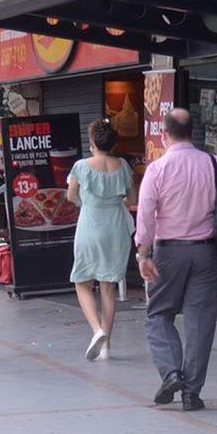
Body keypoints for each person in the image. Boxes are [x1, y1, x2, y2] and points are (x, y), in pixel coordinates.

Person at [136, 109, 217, 411]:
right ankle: (192, 393)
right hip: (206, 252)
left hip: (169, 253)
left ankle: (171, 372)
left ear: (164, 135)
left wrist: (143, 254)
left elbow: (146, 214)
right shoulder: (215, 165)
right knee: (200, 323)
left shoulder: (157, 169)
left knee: (158, 314)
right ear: (193, 132)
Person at [68, 119, 136, 361]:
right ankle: (106, 347)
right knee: (108, 287)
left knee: (82, 282)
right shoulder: (123, 166)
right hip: (116, 228)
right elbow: (132, 198)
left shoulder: (81, 167)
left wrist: (87, 202)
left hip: (90, 225)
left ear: (92, 141)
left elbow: (71, 196)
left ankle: (97, 330)